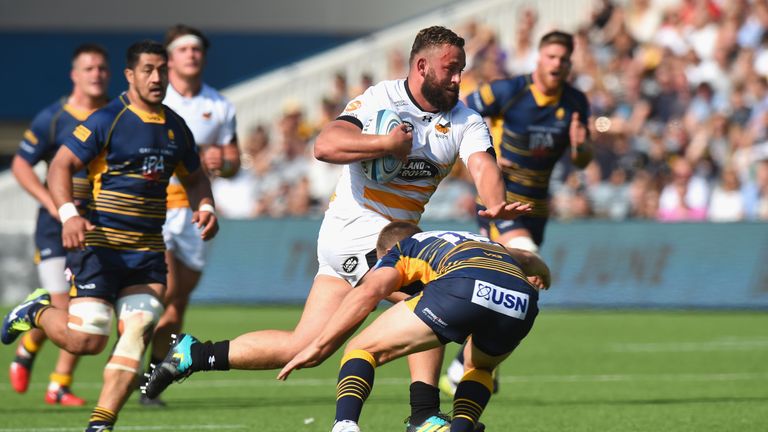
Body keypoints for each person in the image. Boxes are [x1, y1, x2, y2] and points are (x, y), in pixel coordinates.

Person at [143, 26, 530, 430]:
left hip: (389, 240)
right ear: (421, 66)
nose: (458, 78)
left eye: (461, 70)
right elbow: (325, 145)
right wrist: (385, 145)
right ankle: (424, 415)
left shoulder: (465, 119)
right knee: (426, 294)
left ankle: (194, 354)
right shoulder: (382, 99)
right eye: (450, 70)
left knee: (304, 344)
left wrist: (494, 200)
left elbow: (484, 166)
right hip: (354, 229)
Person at [1, 40, 218, 432]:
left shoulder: (175, 126)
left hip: (148, 253)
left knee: (138, 328)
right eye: (148, 70)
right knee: (88, 340)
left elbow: (196, 175)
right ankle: (34, 312)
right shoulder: (108, 119)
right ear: (130, 76)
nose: (156, 78)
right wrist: (67, 214)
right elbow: (59, 166)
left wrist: (206, 206)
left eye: (162, 70)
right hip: (100, 248)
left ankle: (101, 424)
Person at [277, 222, 551, 432]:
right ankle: (461, 427)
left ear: (384, 251)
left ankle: (345, 424)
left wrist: (319, 345)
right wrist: (544, 276)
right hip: (520, 299)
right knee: (479, 367)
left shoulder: (401, 250)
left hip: (463, 285)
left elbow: (367, 293)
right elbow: (527, 258)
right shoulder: (470, 240)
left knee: (361, 348)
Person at [440, 30, 593, 396]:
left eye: (563, 59)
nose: (556, 63)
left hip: (537, 208)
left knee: (511, 287)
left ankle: (470, 363)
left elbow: (582, 159)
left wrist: (581, 147)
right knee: (529, 265)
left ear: (570, 64)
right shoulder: (509, 91)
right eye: (551, 56)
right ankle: (466, 366)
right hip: (501, 201)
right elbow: (458, 116)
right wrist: (486, 147)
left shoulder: (575, 102)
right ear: (539, 58)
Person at [138, 24, 240, 407]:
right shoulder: (154, 100)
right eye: (184, 49)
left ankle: (151, 382)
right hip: (157, 208)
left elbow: (233, 161)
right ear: (169, 58)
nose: (192, 55)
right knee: (159, 292)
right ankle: (125, 359)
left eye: (197, 49)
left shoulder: (220, 105)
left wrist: (223, 162)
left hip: (197, 210)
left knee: (178, 302)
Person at [8, 43, 110, 406]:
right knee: (67, 310)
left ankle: (57, 382)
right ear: (75, 75)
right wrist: (52, 202)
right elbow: (21, 164)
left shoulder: (116, 115)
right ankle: (32, 334)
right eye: (89, 68)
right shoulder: (53, 118)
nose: (96, 74)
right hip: (55, 227)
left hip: (98, 226)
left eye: (101, 68)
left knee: (90, 310)